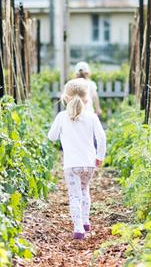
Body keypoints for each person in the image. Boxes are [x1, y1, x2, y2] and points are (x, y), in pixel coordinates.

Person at [48, 78, 106, 240]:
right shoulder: (92, 117)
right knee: (84, 190)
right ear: (87, 98)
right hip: (89, 163)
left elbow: (51, 137)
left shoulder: (61, 116)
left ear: (65, 97)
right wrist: (99, 156)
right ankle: (86, 221)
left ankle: (79, 228)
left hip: (71, 165)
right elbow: (101, 138)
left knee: (74, 195)